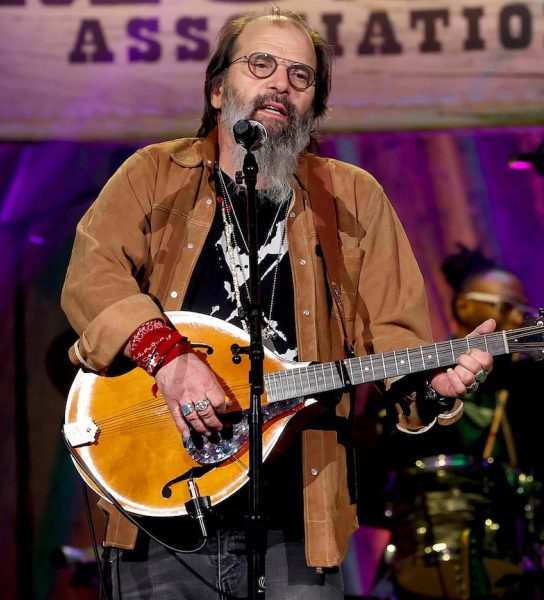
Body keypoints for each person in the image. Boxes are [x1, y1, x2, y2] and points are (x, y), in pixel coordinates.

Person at [60, 8, 496, 599]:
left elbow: (395, 334)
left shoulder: (355, 198)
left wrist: (428, 384)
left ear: (313, 108)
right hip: (158, 507)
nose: (280, 85)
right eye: (260, 64)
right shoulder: (152, 175)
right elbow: (93, 276)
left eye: (301, 76)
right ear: (218, 90)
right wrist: (171, 359)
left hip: (298, 519)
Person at [371, 245, 544, 599]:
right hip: (421, 539)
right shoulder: (420, 371)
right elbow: (377, 454)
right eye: (506, 308)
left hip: (508, 542)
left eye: (524, 312)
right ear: (464, 306)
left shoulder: (534, 388)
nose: (516, 321)